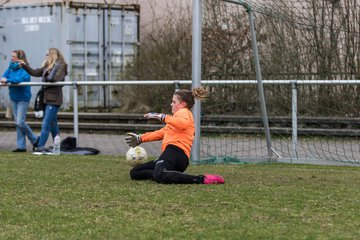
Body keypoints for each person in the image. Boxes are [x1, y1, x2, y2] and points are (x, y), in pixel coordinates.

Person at [125, 87, 224, 184]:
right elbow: (161, 133)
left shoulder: (185, 112)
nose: (171, 104)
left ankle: (202, 179)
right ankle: (169, 175)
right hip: (170, 155)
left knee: (159, 175)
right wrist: (140, 138)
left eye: (174, 102)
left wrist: (162, 117)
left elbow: (182, 123)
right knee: (135, 173)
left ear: (182, 104)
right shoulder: (174, 120)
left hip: (176, 152)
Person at [19, 48, 67, 151]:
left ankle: (39, 146)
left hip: (54, 98)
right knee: (53, 124)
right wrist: (24, 65)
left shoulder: (61, 66)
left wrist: (46, 76)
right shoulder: (48, 66)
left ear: (52, 55)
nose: (45, 56)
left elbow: (54, 79)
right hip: (46, 98)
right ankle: (58, 146)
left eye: (47, 54)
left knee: (46, 123)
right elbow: (35, 72)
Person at [0, 50, 39, 152]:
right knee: (18, 123)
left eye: (13, 56)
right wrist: (4, 79)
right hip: (14, 97)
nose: (11, 58)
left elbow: (19, 79)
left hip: (23, 98)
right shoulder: (11, 66)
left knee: (20, 122)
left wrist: (7, 80)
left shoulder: (25, 68)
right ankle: (21, 147)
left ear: (19, 58)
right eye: (11, 56)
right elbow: (4, 75)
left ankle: (35, 140)